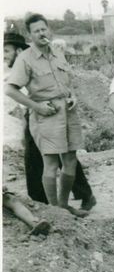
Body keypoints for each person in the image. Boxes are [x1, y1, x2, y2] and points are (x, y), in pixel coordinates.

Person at [5, 15, 92, 217]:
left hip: (68, 111)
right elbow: (10, 90)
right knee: (51, 163)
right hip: (46, 115)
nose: (41, 33)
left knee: (70, 159)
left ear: (48, 29)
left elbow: (67, 82)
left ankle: (63, 206)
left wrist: (73, 96)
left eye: (44, 29)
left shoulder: (57, 53)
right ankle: (55, 211)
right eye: (36, 31)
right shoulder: (25, 58)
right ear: (30, 34)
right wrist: (37, 106)